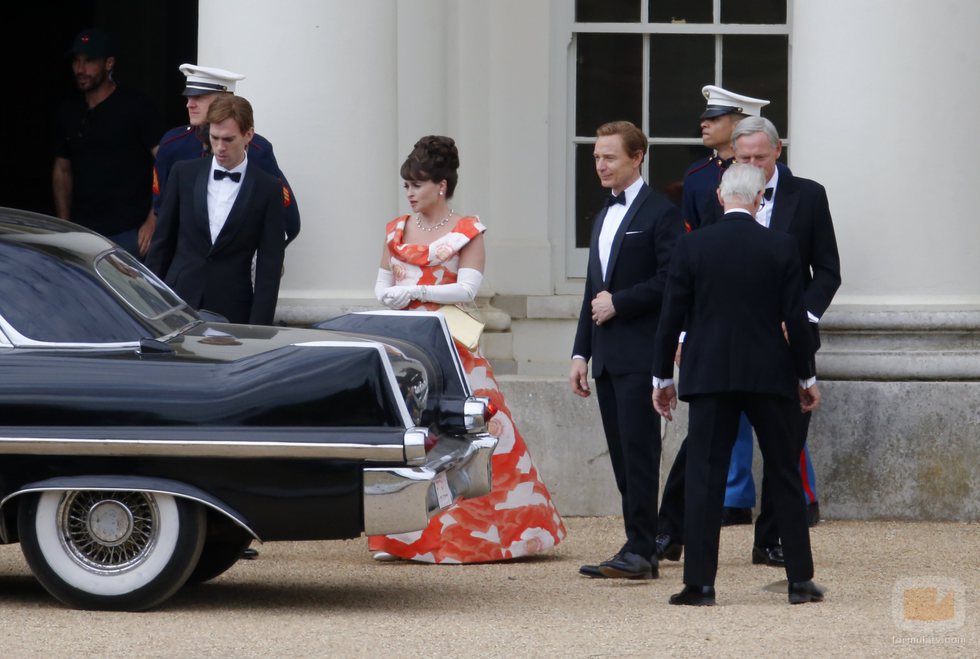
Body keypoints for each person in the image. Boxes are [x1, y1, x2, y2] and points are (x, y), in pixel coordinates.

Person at [368, 135, 566, 563]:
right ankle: (402, 538)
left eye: (417, 185)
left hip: (451, 345)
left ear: (441, 185)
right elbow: (381, 284)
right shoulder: (395, 229)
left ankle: (490, 538)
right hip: (405, 345)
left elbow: (468, 288)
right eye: (406, 185)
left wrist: (416, 291)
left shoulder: (467, 231)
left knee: (472, 432)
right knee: (410, 434)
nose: (409, 193)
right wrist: (391, 296)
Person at [656, 116, 842, 568]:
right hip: (719, 342)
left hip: (786, 342)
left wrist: (801, 318)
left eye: (760, 156)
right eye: (743, 158)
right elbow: (693, 272)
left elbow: (827, 270)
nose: (752, 165)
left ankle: (772, 539)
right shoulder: (715, 190)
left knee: (785, 446)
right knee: (700, 446)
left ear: (778, 151)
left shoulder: (809, 195)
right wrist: (684, 334)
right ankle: (670, 531)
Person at [569, 121, 683, 580]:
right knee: (621, 456)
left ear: (637, 157)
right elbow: (591, 291)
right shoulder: (602, 214)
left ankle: (641, 550)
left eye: (609, 157)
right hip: (606, 355)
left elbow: (672, 278)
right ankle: (639, 543)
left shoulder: (662, 212)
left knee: (639, 454)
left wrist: (621, 302)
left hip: (641, 352)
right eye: (597, 157)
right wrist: (580, 353)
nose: (600, 165)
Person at [677, 85, 773, 529]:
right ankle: (734, 496)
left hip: (765, 311)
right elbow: (690, 244)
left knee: (779, 414)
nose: (705, 123)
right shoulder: (699, 177)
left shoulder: (777, 179)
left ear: (738, 124)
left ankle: (797, 497)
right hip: (714, 309)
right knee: (725, 413)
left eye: (715, 118)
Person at [145, 95, 285, 325]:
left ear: (248, 135)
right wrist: (148, 305)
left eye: (229, 139)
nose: (220, 147)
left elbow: (269, 266)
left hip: (232, 308)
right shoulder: (184, 174)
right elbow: (162, 244)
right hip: (177, 302)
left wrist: (259, 328)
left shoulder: (268, 188)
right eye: (214, 138)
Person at [152, 64, 300, 245]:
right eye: (189, 97)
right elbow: (163, 212)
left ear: (224, 101)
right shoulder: (173, 144)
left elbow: (287, 220)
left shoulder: (257, 149)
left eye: (199, 97)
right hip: (187, 258)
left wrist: (254, 256)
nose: (189, 104)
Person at [53, 28, 164, 257]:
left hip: (128, 234)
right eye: (76, 61)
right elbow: (62, 170)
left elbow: (165, 162)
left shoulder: (136, 106)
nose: (80, 69)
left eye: (89, 61)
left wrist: (153, 219)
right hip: (81, 235)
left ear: (109, 63)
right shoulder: (69, 110)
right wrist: (64, 226)